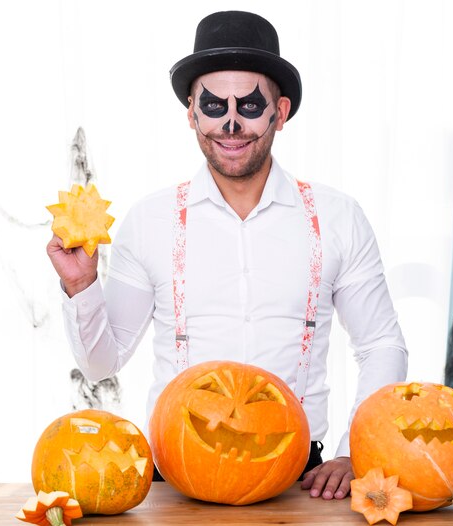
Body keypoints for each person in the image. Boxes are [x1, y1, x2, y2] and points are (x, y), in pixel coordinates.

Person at [47, 10, 408, 500]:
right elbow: (100, 364)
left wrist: (353, 451)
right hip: (172, 475)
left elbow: (382, 343)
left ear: (280, 113)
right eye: (214, 105)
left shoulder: (338, 218)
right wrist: (80, 286)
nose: (231, 123)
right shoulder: (149, 221)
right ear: (192, 113)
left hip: (300, 479)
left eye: (250, 105)